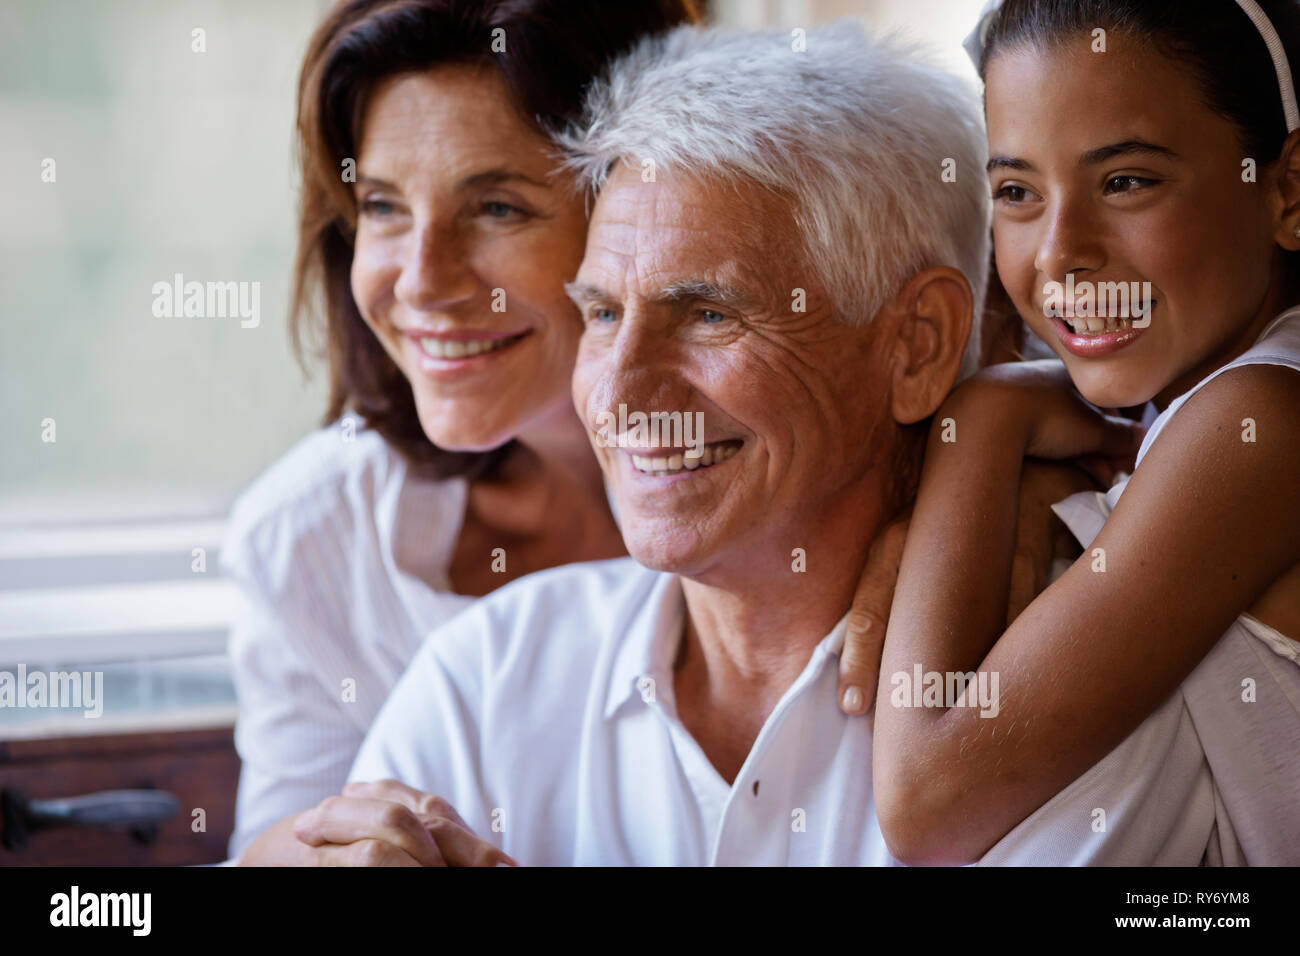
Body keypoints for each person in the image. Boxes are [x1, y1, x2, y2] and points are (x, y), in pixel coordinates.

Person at [281, 21, 1116, 867]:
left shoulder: (1068, 681)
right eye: (603, 313)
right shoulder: (485, 675)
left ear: (919, 344)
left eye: (710, 313)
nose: (616, 391)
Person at [224, 0, 698, 863]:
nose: (424, 282)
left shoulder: (792, 481)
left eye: (497, 209)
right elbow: (282, 829)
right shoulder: (314, 536)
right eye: (383, 206)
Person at [873, 0, 1300, 865]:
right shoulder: (1189, 411)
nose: (1061, 251)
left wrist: (985, 415)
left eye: (1126, 181)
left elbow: (927, 798)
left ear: (1287, 191)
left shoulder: (1261, 419)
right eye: (1018, 193)